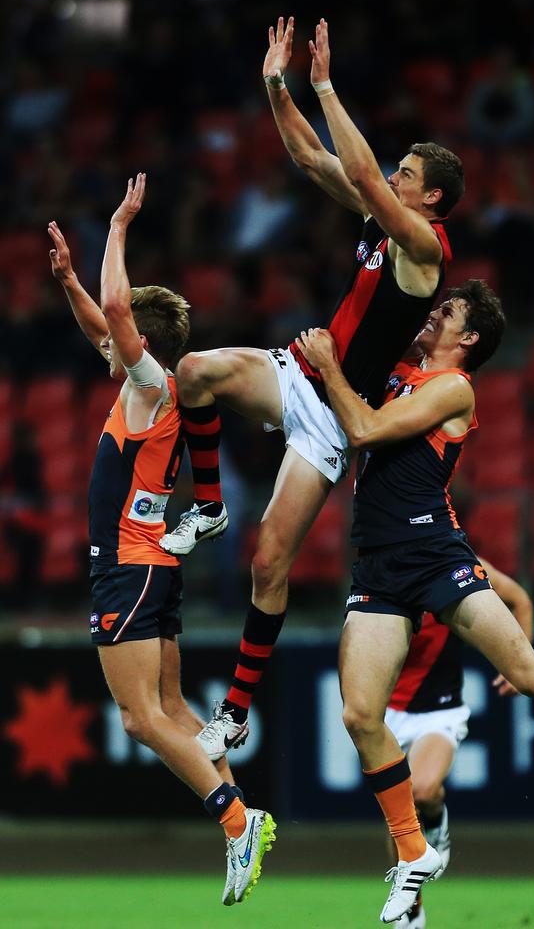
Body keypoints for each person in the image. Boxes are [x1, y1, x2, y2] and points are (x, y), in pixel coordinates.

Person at [296, 280, 534, 924]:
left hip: (436, 555)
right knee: (357, 715)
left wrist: (328, 367)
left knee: (531, 674)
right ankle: (411, 856)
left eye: (447, 313)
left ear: (470, 339)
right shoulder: (400, 371)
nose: (433, 315)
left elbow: (365, 429)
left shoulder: (454, 388)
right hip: (378, 565)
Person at [160, 16, 465, 757]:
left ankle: (232, 712)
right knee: (194, 372)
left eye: (406, 178)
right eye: (396, 171)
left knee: (269, 564)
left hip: (335, 415)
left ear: (430, 203)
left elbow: (360, 172)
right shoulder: (382, 221)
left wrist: (323, 82)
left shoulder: (424, 249)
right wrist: (276, 83)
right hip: (300, 371)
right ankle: (206, 507)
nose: (392, 179)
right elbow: (307, 155)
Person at [47, 174, 275, 907]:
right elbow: (102, 321)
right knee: (178, 715)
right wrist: (70, 282)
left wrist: (115, 228)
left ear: (137, 343)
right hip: (156, 569)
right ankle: (244, 828)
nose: (104, 344)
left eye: (118, 339)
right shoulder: (149, 388)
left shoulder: (149, 386)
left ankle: (238, 820)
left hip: (129, 567)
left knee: (140, 719)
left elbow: (116, 315)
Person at [387, 560, 533, 929]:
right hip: (385, 711)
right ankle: (412, 911)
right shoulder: (380, 563)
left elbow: (520, 600)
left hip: (439, 710)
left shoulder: (459, 561)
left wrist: (521, 664)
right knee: (398, 819)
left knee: (421, 791)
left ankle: (436, 821)